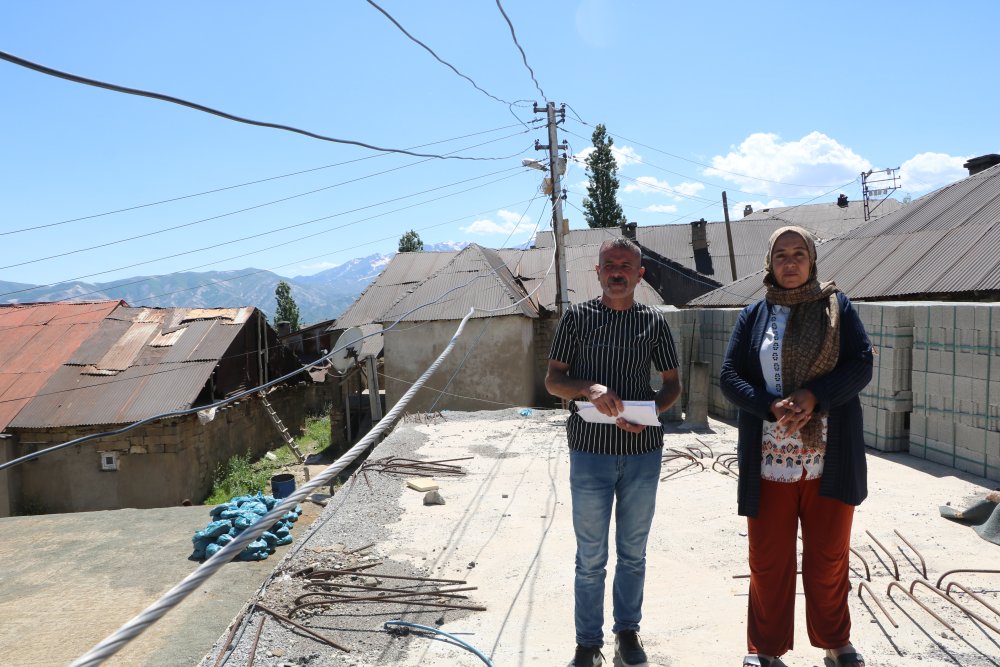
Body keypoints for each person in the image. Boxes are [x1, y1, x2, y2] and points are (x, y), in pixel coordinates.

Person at [720, 226, 873, 667]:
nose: (790, 263)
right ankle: (764, 650)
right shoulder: (754, 314)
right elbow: (730, 376)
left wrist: (815, 396)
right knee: (768, 562)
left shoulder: (837, 308)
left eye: (799, 253)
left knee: (828, 560)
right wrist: (769, 406)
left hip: (830, 459)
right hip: (770, 461)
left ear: (812, 259)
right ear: (770, 263)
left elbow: (862, 363)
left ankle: (835, 642)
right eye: (781, 255)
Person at [545, 237, 681, 667]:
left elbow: (673, 383)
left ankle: (627, 633)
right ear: (598, 272)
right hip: (590, 451)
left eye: (626, 265)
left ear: (640, 274)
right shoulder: (577, 319)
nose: (617, 271)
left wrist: (651, 411)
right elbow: (553, 381)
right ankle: (588, 642)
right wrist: (587, 387)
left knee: (633, 551)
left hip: (642, 452)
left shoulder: (654, 323)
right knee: (590, 556)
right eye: (610, 264)